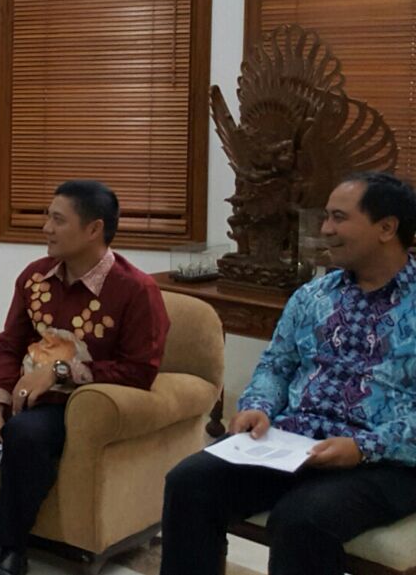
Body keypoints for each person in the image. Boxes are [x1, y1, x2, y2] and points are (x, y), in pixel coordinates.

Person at [0, 180, 169, 575]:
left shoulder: (135, 290)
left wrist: (61, 371)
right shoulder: (35, 277)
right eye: (47, 217)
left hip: (75, 401)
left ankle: (8, 545)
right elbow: (9, 347)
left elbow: (140, 370)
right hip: (18, 386)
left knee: (26, 434)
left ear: (93, 229)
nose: (46, 228)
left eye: (58, 220)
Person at [161, 172, 416, 575]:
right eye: (326, 217)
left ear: (386, 228)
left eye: (338, 218)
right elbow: (277, 365)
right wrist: (257, 405)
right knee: (189, 481)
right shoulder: (313, 296)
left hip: (387, 462)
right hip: (295, 442)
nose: (325, 229)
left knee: (302, 520)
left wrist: (363, 447)